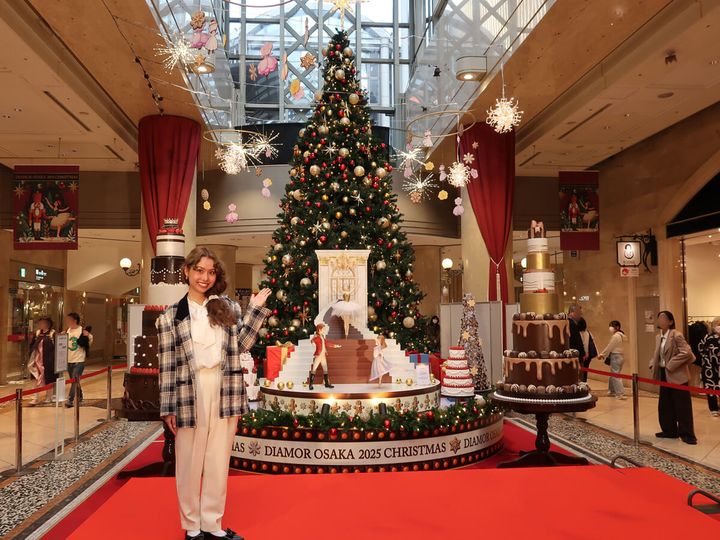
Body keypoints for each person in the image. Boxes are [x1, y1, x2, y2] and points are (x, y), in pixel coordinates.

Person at [157, 246, 271, 540]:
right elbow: (167, 365)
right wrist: (168, 408)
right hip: (189, 391)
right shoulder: (170, 317)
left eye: (210, 272)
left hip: (224, 388)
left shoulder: (227, 307)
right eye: (199, 270)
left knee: (218, 460)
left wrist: (254, 309)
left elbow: (242, 344)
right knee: (188, 463)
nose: (204, 278)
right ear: (186, 271)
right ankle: (192, 527)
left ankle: (212, 524)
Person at [650, 310, 697, 445]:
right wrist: (653, 363)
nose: (661, 320)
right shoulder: (658, 336)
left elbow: (687, 352)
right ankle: (669, 430)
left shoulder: (676, 335)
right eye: (659, 318)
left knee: (682, 405)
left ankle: (687, 434)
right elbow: (658, 354)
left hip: (677, 375)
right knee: (665, 404)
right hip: (664, 374)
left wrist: (671, 364)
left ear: (670, 321)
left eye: (664, 318)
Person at [65, 313, 92, 408]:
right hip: (69, 360)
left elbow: (89, 341)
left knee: (74, 381)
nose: (67, 321)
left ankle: (70, 400)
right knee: (75, 381)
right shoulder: (67, 331)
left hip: (79, 360)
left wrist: (87, 336)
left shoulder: (82, 330)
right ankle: (80, 396)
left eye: (69, 319)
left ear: (75, 320)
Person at [27, 317, 56, 405]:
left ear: (48, 324)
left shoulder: (53, 333)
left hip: (48, 361)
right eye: (40, 323)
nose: (41, 325)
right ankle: (35, 398)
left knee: (49, 379)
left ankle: (49, 397)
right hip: (37, 360)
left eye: (43, 323)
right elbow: (32, 345)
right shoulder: (38, 333)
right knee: (36, 379)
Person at [598, 320, 627, 400]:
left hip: (615, 356)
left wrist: (602, 354)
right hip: (621, 356)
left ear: (617, 327)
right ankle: (612, 390)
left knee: (616, 376)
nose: (610, 328)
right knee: (613, 374)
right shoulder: (622, 336)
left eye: (612, 326)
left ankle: (620, 393)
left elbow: (610, 346)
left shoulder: (616, 336)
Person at [697, 317, 720, 417]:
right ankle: (713, 408)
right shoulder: (707, 337)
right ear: (713, 326)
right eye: (717, 324)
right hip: (709, 368)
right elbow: (700, 349)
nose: (719, 326)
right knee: (710, 388)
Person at [308, 323, 341, 390]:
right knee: (314, 369)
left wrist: (335, 346)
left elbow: (326, 343)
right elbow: (312, 341)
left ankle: (326, 384)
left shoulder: (322, 336)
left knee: (325, 369)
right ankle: (310, 385)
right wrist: (313, 340)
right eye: (323, 329)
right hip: (318, 355)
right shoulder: (317, 336)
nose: (324, 330)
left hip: (323, 355)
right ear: (319, 329)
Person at [576, 317, 597, 383]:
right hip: (588, 356)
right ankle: (584, 383)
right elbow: (593, 343)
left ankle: (582, 384)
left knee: (580, 372)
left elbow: (584, 344)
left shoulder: (579, 333)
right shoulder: (588, 332)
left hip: (583, 355)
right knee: (585, 372)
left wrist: (585, 354)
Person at [567, 305, 586, 376]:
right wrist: (582, 353)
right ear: (572, 312)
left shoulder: (569, 323)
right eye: (579, 313)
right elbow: (577, 341)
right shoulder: (571, 324)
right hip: (575, 355)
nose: (580, 316)